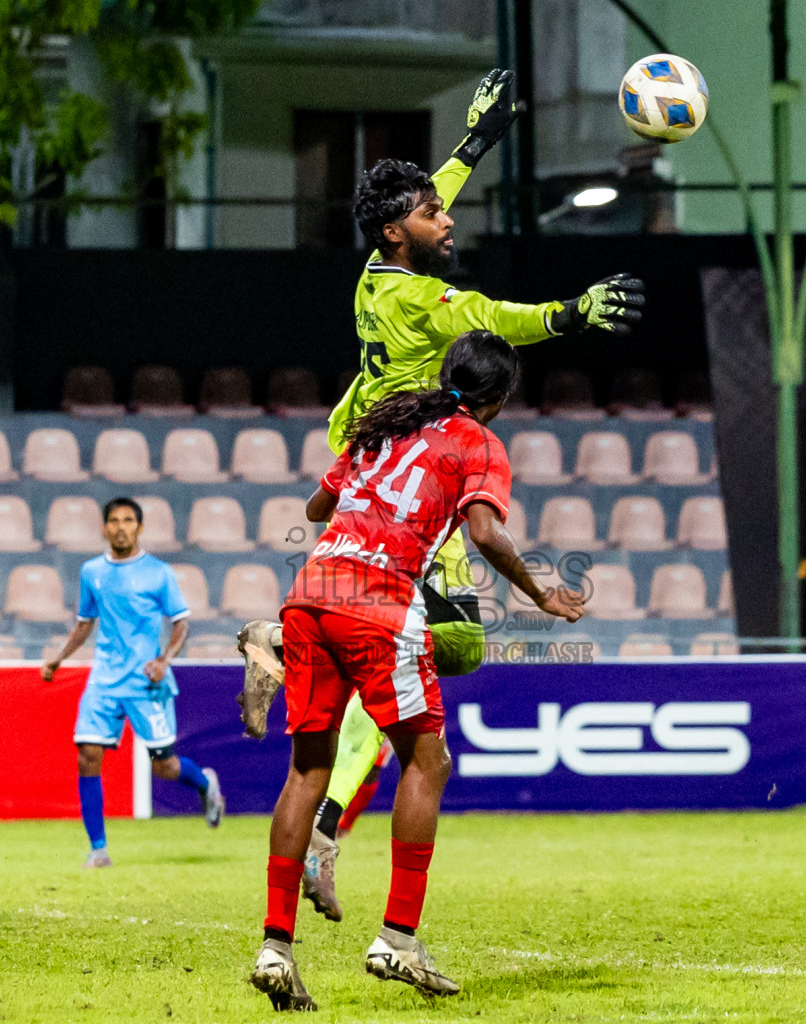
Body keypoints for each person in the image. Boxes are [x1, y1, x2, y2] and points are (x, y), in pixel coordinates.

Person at [237, 67, 644, 922]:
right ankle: (277, 638)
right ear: (398, 231)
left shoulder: (376, 273)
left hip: (368, 460)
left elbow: (428, 201)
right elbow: (498, 316)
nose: (446, 216)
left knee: (395, 678)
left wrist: (473, 145)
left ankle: (325, 819)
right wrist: (576, 311)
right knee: (448, 653)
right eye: (431, 214)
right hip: (408, 478)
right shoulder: (422, 300)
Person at [249, 331, 585, 1010]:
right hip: (379, 603)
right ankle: (398, 938)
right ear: (498, 400)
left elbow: (317, 510)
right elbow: (486, 532)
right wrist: (541, 592)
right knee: (428, 763)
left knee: (306, 772)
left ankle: (275, 947)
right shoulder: (477, 442)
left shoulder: (385, 425)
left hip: (310, 596)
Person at [42, 497, 225, 867]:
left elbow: (181, 623)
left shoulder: (158, 572)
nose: (121, 526)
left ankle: (205, 783)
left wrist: (164, 660)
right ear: (104, 527)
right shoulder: (91, 571)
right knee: (87, 757)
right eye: (114, 520)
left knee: (165, 765)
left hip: (146, 682)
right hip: (104, 681)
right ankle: (98, 850)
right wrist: (59, 659)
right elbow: (84, 623)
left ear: (139, 528)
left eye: (128, 520)